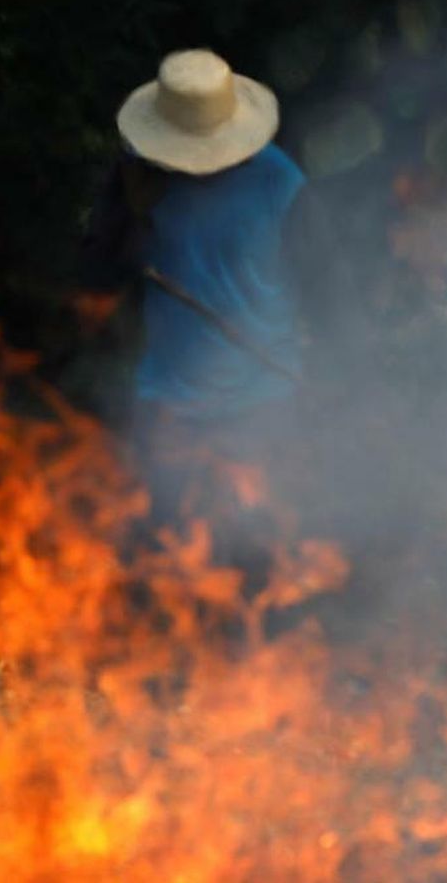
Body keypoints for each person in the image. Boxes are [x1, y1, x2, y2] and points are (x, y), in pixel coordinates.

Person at [78, 49, 342, 538]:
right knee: (164, 552)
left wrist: (331, 378)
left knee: (254, 555)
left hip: (263, 406)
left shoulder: (283, 185)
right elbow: (96, 276)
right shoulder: (141, 176)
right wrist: (130, 218)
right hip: (169, 407)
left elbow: (328, 297)